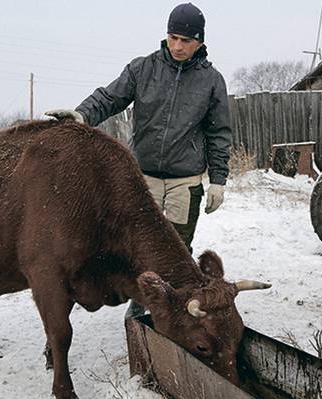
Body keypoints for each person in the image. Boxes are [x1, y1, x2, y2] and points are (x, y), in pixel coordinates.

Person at [46, 2, 231, 256]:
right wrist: (82, 114)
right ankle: (140, 297)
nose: (177, 46)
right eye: (173, 37)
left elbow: (218, 133)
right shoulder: (143, 68)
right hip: (143, 179)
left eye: (186, 40)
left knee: (175, 253)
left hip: (185, 183)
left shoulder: (212, 81)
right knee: (137, 248)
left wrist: (218, 180)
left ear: (199, 41)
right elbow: (109, 98)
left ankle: (170, 296)